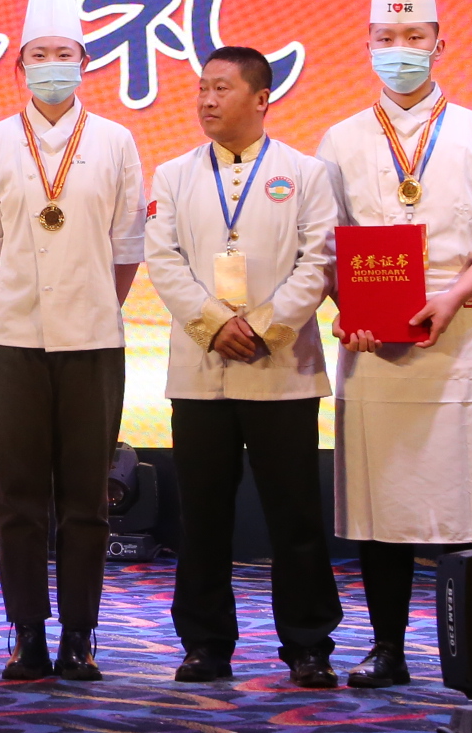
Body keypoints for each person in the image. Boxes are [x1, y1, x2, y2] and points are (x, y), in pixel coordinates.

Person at [316, 0, 472, 688]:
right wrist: (349, 308)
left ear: (441, 43)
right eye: (386, 38)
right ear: (367, 45)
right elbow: (325, 243)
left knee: (467, 502)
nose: (400, 50)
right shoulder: (340, 138)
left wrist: (452, 294)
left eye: (414, 37)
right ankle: (387, 648)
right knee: (382, 505)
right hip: (374, 346)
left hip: (458, 334)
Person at [0, 0, 147, 681]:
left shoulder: (115, 141)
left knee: (86, 499)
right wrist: (34, 298)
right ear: (19, 66)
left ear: (83, 63)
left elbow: (127, 248)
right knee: (16, 498)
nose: (51, 66)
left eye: (63, 54)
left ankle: (80, 633)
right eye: (37, 55)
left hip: (94, 342)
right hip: (12, 340)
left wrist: (88, 303)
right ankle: (27, 633)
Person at [145, 45, 344, 687]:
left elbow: (319, 261)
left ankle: (309, 644)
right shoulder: (173, 174)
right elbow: (163, 260)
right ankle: (205, 644)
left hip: (282, 369)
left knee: (296, 516)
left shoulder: (306, 172)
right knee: (202, 516)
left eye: (222, 88)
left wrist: (261, 327)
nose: (207, 100)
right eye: (202, 88)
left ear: (261, 99)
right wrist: (213, 323)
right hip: (200, 373)